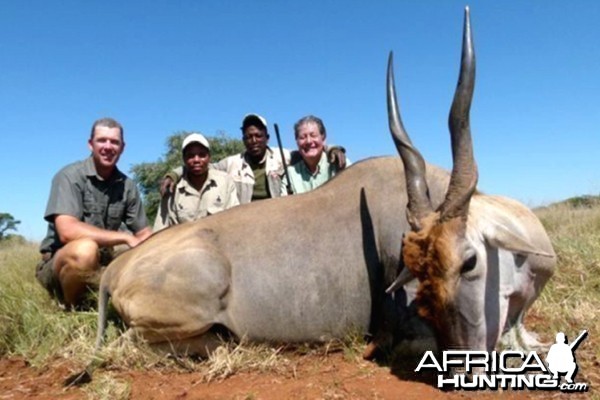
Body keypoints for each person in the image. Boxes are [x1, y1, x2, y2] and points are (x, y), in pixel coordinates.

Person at [35, 117, 152, 309]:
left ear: (122, 147)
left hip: (103, 263)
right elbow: (67, 231)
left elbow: (143, 234)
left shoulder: (128, 186)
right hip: (60, 265)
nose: (108, 146)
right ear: (91, 144)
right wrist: (124, 238)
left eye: (114, 142)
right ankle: (73, 309)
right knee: (85, 250)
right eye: (102, 140)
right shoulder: (69, 176)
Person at [161, 113, 347, 203]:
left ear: (267, 137)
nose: (254, 140)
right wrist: (174, 174)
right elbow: (200, 165)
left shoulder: (283, 156)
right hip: (248, 226)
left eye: (258, 135)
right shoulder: (232, 163)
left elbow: (311, 149)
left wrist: (334, 149)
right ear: (243, 140)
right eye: (249, 137)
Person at [153, 133, 239, 232]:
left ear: (209, 157)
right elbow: (160, 229)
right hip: (182, 245)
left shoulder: (225, 182)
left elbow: (235, 221)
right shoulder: (172, 188)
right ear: (184, 159)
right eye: (191, 156)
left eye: (202, 155)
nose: (196, 160)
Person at [284, 115, 349, 195]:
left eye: (313, 135)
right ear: (296, 142)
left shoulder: (339, 163)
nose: (308, 141)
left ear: (323, 138)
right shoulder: (290, 175)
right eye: (302, 137)